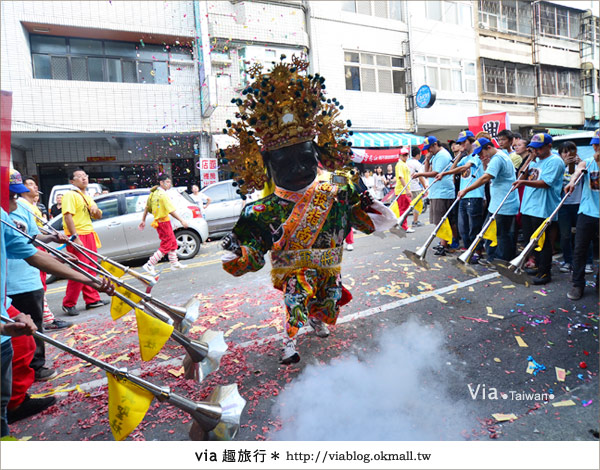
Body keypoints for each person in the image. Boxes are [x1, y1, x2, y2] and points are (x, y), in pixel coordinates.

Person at [219, 56, 396, 364]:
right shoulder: (260, 210)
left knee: (328, 302)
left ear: (317, 154)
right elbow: (253, 253)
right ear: (268, 167)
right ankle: (290, 339)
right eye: (286, 164)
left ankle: (317, 320)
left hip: (330, 266)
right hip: (293, 268)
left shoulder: (338, 190)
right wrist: (238, 252)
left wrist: (369, 206)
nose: (299, 169)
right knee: (296, 296)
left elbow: (363, 219)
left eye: (304, 159)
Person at [1, 206, 114, 436]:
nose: (12, 201)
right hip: (12, 297)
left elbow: (31, 251)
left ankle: (12, 406)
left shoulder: (3, 216)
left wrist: (88, 279)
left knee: (22, 347)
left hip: (4, 304)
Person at [457, 137, 521, 265]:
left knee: (502, 235)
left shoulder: (498, 158)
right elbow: (488, 172)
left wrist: (466, 190)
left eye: (481, 152)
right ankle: (493, 259)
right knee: (490, 232)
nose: (481, 155)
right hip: (497, 203)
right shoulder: (497, 157)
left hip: (504, 204)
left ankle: (501, 262)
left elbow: (486, 177)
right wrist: (485, 162)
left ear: (489, 148)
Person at [512, 133, 565, 285]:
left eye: (540, 148)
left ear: (549, 146)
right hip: (529, 207)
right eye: (534, 149)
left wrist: (523, 182)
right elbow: (521, 174)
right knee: (531, 241)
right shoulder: (535, 161)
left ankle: (544, 272)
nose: (537, 151)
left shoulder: (554, 161)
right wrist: (529, 159)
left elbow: (545, 183)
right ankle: (537, 265)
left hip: (543, 208)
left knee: (543, 242)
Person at [61, 169, 107, 316]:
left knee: (91, 267)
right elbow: (67, 216)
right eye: (79, 177)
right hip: (78, 235)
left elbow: (98, 216)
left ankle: (92, 299)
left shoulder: (86, 196)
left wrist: (95, 210)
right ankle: (68, 303)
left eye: (85, 176)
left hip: (89, 234)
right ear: (72, 181)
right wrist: (75, 237)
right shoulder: (70, 195)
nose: (83, 179)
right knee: (80, 269)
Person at [435, 131, 484, 256]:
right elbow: (453, 170)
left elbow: (464, 168)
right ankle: (468, 249)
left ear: (471, 142)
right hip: (463, 196)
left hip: (475, 195)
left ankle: (477, 251)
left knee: (474, 227)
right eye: (460, 143)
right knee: (463, 227)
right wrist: (459, 155)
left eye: (463, 143)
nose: (461, 145)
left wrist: (443, 174)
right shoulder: (465, 157)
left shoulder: (477, 156)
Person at [565, 129, 599, 300]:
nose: (597, 148)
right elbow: (577, 172)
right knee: (579, 250)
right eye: (596, 145)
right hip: (587, 212)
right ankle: (578, 284)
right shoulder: (587, 162)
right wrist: (572, 182)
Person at [412, 136, 455, 255]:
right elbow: (428, 172)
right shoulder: (435, 155)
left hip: (443, 192)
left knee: (441, 219)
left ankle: (444, 244)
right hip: (436, 191)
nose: (428, 150)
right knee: (438, 219)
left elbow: (436, 173)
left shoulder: (442, 155)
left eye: (429, 148)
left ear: (435, 144)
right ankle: (444, 242)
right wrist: (427, 160)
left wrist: (418, 174)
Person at [139, 174, 189, 275]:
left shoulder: (153, 193)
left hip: (161, 222)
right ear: (161, 183)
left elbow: (147, 208)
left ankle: (174, 263)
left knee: (172, 242)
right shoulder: (162, 195)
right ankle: (149, 264)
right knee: (166, 245)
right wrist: (182, 220)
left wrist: (143, 220)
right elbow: (171, 210)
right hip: (163, 222)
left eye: (170, 182)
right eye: (167, 182)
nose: (169, 184)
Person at [556, 141, 591, 274]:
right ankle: (568, 261)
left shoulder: (582, 166)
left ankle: (587, 261)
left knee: (584, 235)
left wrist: (580, 164)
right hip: (563, 205)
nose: (568, 154)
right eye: (565, 152)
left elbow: (590, 180)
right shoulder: (559, 167)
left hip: (580, 205)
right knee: (565, 236)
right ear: (560, 154)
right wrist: (564, 165)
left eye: (571, 151)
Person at [393, 148, 415, 233]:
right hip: (401, 191)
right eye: (403, 155)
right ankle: (404, 226)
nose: (405, 156)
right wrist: (407, 189)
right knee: (404, 209)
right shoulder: (400, 164)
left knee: (405, 208)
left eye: (406, 155)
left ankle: (403, 225)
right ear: (400, 156)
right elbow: (401, 177)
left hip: (404, 190)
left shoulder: (404, 164)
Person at [406, 147, 428, 227]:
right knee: (418, 204)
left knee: (407, 206)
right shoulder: (417, 164)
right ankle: (415, 221)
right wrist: (425, 187)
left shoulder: (407, 163)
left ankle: (403, 222)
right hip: (415, 187)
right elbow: (421, 177)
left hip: (407, 187)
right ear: (418, 155)